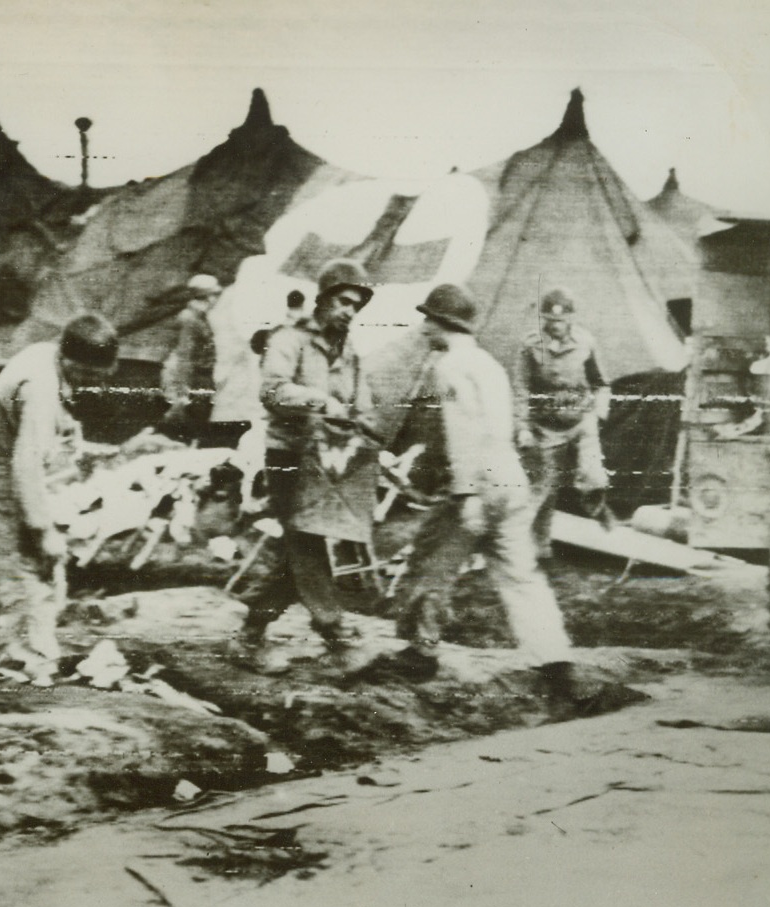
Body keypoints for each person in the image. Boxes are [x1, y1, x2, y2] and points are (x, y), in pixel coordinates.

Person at [393, 283, 576, 699]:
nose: (424, 329)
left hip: (480, 480)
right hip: (510, 479)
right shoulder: (489, 363)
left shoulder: (451, 367)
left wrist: (467, 494)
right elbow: (505, 427)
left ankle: (419, 653)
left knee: (431, 559)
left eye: (428, 320)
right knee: (522, 578)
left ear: (443, 323)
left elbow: (463, 431)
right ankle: (557, 667)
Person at [235, 258, 378, 661]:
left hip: (329, 461)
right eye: (343, 301)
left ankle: (251, 631)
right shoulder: (289, 339)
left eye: (356, 305)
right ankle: (336, 632)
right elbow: (273, 391)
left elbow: (362, 398)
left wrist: (366, 426)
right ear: (324, 298)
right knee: (306, 543)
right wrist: (322, 401)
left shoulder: (349, 350)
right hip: (287, 455)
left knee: (302, 546)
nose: (349, 311)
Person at [0, 314, 119, 686]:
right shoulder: (39, 389)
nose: (91, 384)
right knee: (28, 564)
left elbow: (51, 428)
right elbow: (25, 465)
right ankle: (33, 659)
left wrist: (75, 444)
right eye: (85, 374)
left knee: (12, 556)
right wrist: (42, 527)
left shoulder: (49, 354)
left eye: (100, 376)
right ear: (68, 360)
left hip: (10, 458)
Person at [514, 286, 614, 560]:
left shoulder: (586, 342)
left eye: (561, 320)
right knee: (544, 487)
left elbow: (601, 383)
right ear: (544, 319)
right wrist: (522, 427)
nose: (556, 325)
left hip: (581, 420)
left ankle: (600, 509)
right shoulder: (530, 345)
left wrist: (599, 413)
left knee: (592, 474)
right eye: (551, 320)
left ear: (571, 319)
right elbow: (521, 388)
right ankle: (540, 548)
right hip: (547, 426)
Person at [160, 274, 222, 440]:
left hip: (198, 376)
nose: (217, 299)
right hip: (187, 378)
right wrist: (181, 393)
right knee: (185, 427)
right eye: (215, 294)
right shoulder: (190, 318)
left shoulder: (201, 318)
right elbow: (184, 356)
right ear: (206, 296)